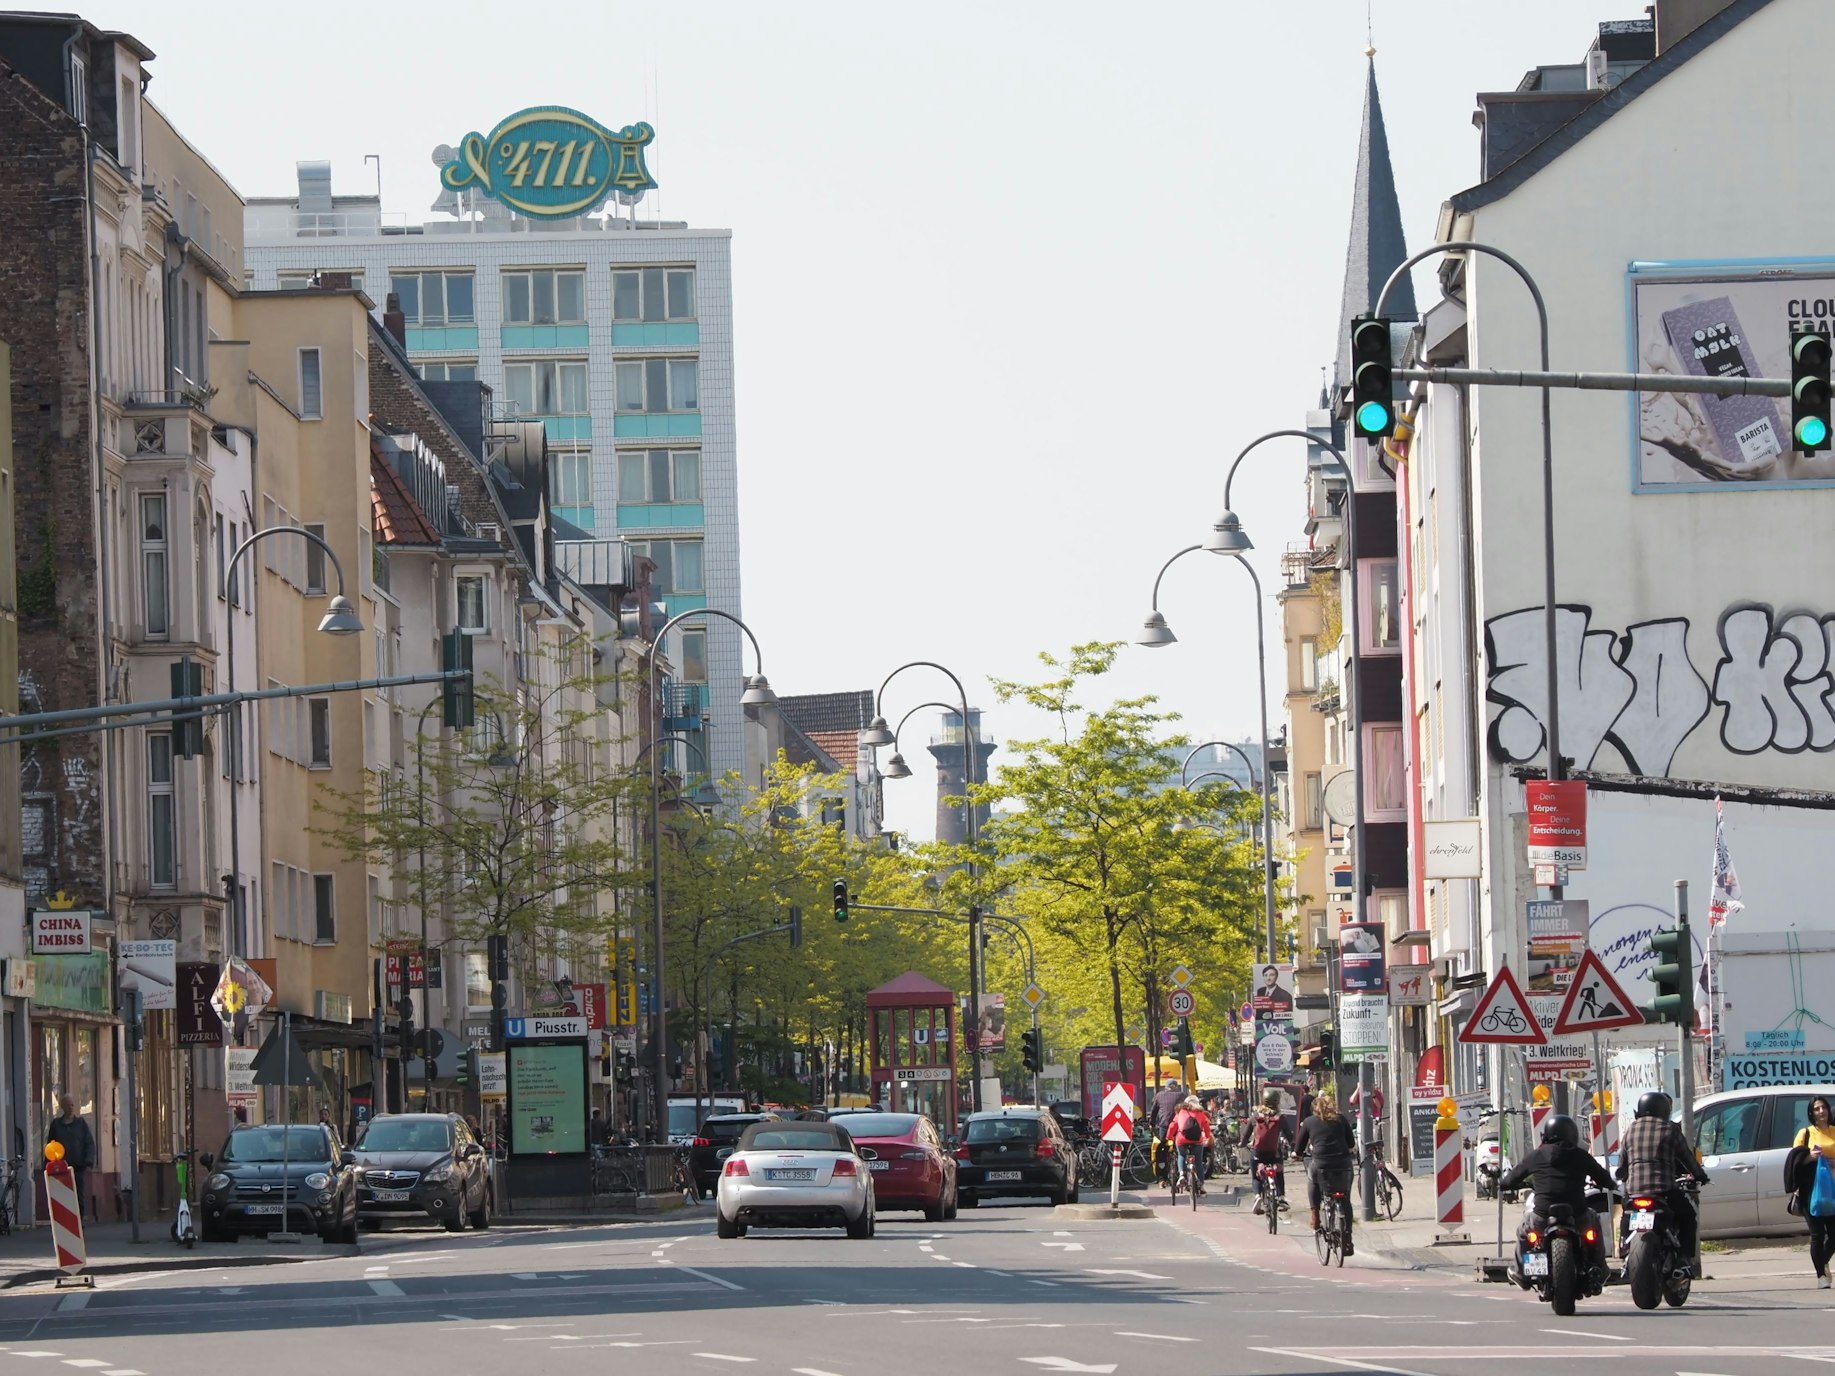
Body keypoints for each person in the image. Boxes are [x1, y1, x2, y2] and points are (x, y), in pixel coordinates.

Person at [1503, 1113, 1617, 1279]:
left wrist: (1506, 1185)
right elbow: (1604, 1178)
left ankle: (1521, 1271)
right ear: (1573, 1134)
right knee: (1594, 1223)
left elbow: (1510, 1180)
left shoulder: (1536, 1156)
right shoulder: (1581, 1155)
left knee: (1523, 1231)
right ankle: (1600, 1267)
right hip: (1577, 1216)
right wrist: (1610, 1184)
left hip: (1542, 1217)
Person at [1616, 1089, 1708, 1274]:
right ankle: (1683, 1258)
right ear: (1664, 1110)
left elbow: (1622, 1165)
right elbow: (1688, 1159)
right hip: (1664, 1190)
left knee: (1626, 1214)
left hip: (1635, 1192)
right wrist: (1700, 1176)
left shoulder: (1631, 1130)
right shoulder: (1670, 1129)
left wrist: (1625, 1177)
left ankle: (1624, 1246)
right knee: (1689, 1217)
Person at [1295, 1094, 1357, 1253]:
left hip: (1321, 1164)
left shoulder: (1309, 1122)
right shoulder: (1341, 1120)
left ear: (1315, 1109)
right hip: (1343, 1164)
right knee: (1345, 1198)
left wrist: (1297, 1155)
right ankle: (1348, 1238)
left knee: (1312, 1178)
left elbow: (1299, 1148)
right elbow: (1351, 1143)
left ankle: (1315, 1214)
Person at [1790, 1096, 1835, 1287]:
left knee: (1834, 1234)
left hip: (1833, 1190)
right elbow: (1794, 1161)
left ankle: (1822, 1260)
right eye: (1816, 1109)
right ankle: (1821, 1277)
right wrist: (1811, 1157)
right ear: (1811, 1113)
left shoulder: (1834, 1131)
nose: (1821, 1112)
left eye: (1823, 1107)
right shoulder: (1805, 1134)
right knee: (1817, 1234)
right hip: (1811, 1190)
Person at [1241, 1089, 1292, 1214]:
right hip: (1274, 1154)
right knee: (1278, 1172)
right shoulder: (1280, 1118)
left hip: (1258, 1153)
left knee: (1256, 1177)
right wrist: (1294, 1148)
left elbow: (1246, 1136)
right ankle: (1281, 1197)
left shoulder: (1255, 1117)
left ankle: (1257, 1196)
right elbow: (1290, 1137)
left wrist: (1242, 1144)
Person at [46, 1096, 95, 1221]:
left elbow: (89, 1143)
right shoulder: (56, 1125)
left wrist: (88, 1161)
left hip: (78, 1166)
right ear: (62, 1107)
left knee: (79, 1197)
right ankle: (65, 1222)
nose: (71, 1108)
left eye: (72, 1105)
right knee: (63, 1197)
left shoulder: (80, 1124)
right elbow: (51, 1145)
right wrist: (48, 1164)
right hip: (61, 1167)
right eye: (68, 1105)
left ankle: (78, 1222)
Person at [1165, 1095, 1213, 1195]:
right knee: (1198, 1161)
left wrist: (1168, 1137)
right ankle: (1202, 1185)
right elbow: (1206, 1126)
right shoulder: (1200, 1113)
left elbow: (1172, 1125)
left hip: (1182, 1140)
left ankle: (1182, 1174)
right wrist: (1207, 1136)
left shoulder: (1180, 1112)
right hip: (1197, 1141)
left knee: (1181, 1155)